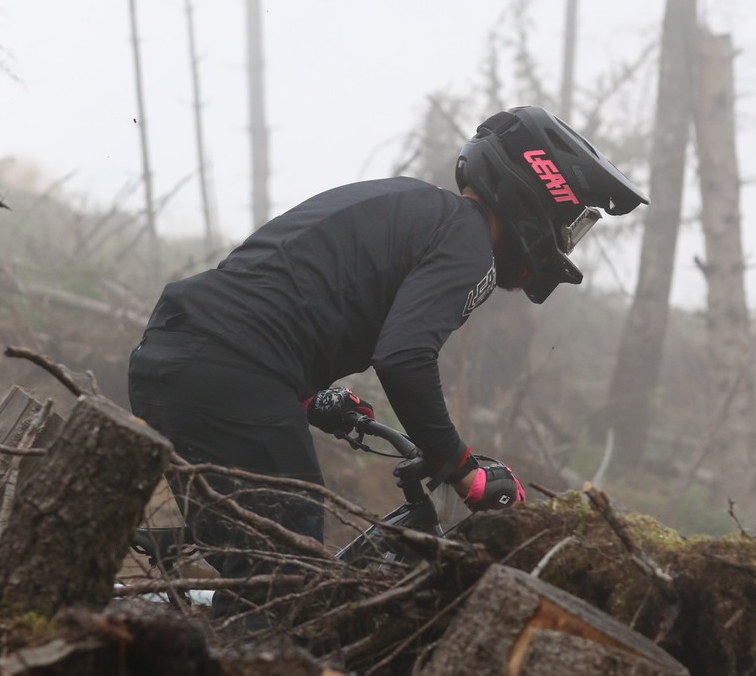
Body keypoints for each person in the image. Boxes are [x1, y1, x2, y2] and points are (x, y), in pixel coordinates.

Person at [128, 105, 647, 616]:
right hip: (233, 369)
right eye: (573, 225)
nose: (566, 243)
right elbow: (403, 357)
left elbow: (290, 287)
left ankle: (144, 609)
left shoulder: (410, 202)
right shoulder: (468, 244)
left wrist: (308, 394)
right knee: (293, 598)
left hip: (176, 353)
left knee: (264, 578)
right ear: (541, 198)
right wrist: (461, 467)